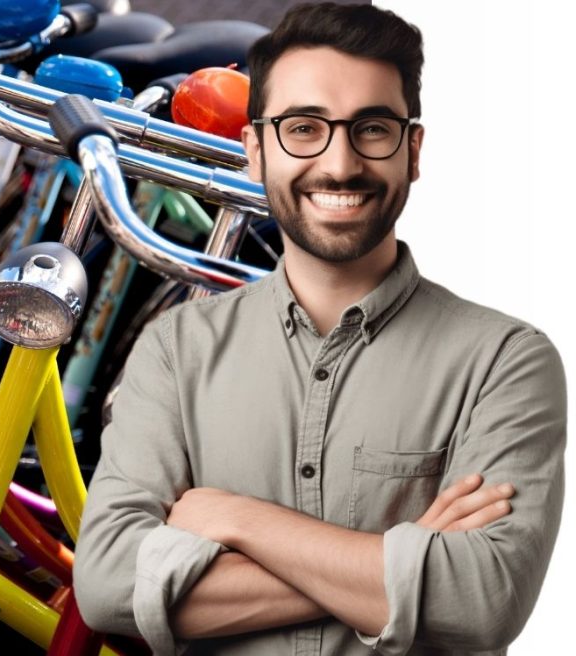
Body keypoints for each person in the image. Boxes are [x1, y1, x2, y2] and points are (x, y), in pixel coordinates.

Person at [72, 3, 567, 655]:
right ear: (254, 151)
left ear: (413, 151)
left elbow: (479, 600)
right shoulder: (177, 347)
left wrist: (235, 518)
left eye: (372, 129)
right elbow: (108, 585)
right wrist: (406, 555)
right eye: (304, 129)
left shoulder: (506, 361)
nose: (339, 164)